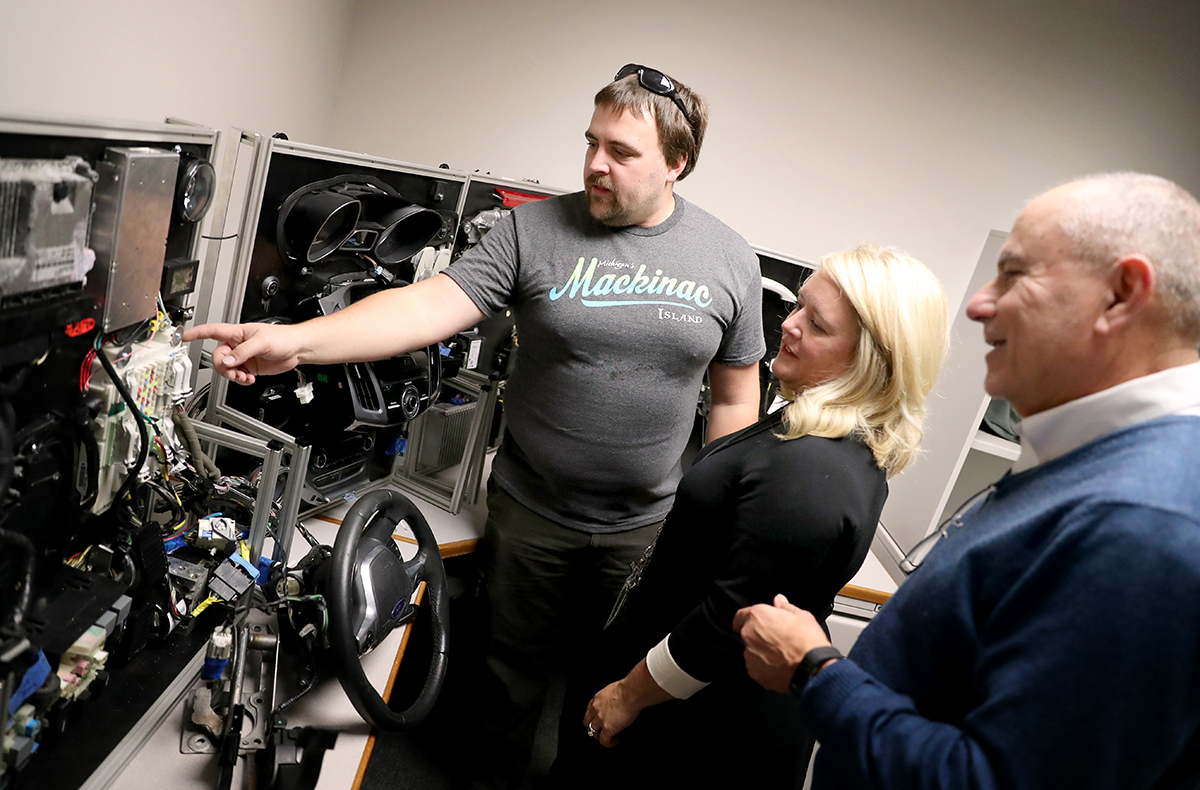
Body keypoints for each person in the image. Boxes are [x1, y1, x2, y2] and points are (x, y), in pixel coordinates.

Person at [185, 64, 765, 786]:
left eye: (621, 152)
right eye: (591, 142)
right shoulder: (534, 232)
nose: (594, 164)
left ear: (677, 163)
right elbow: (425, 308)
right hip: (531, 516)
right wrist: (294, 341)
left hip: (646, 529)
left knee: (614, 694)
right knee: (505, 688)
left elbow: (737, 396)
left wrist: (717, 520)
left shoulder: (728, 259)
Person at [735, 172, 1200, 790]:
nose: (981, 304)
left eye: (1014, 275)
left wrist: (813, 672)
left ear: (1121, 294)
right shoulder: (1094, 463)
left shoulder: (1146, 523)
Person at [549, 246, 949, 788]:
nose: (789, 325)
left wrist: (628, 695)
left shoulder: (813, 467)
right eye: (800, 307)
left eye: (817, 324)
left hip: (694, 719)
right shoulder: (808, 430)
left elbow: (731, 620)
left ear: (868, 362)